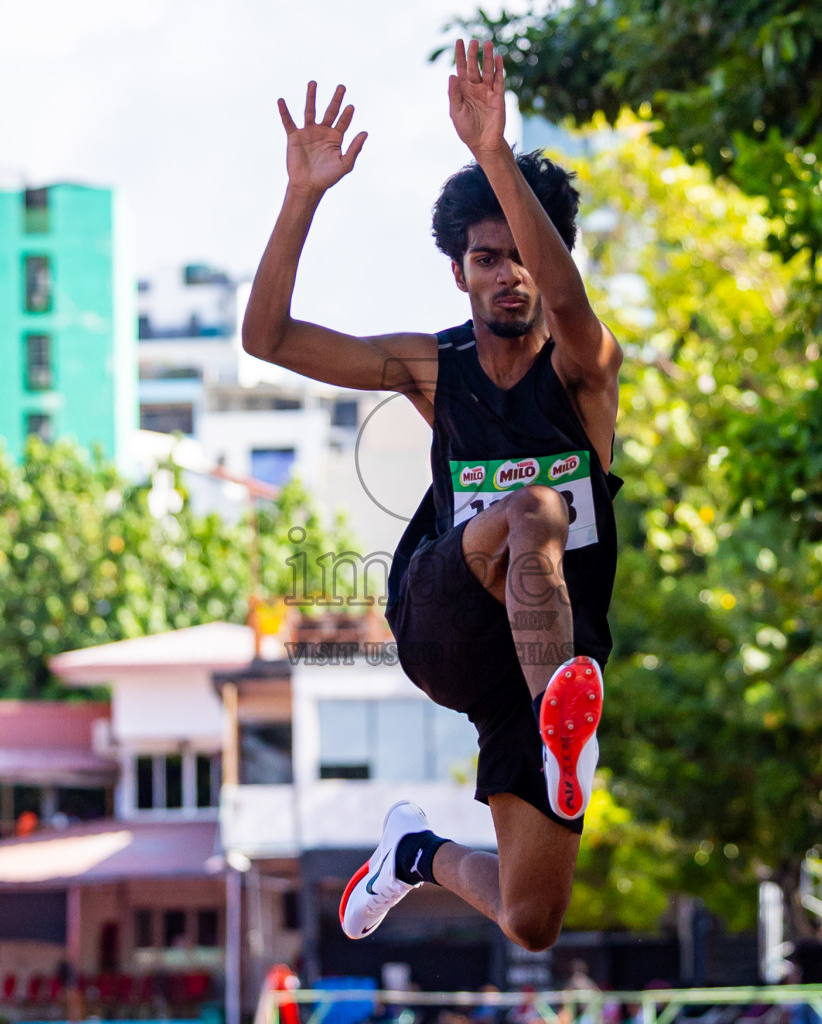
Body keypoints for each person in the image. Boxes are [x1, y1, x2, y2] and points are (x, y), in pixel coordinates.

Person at [241, 37, 622, 954]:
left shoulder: (587, 375)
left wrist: (496, 150)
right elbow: (269, 338)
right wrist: (302, 197)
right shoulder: (433, 368)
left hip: (538, 661)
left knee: (532, 922)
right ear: (460, 271)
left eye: (523, 256)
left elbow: (573, 314)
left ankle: (413, 852)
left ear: (550, 259)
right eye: (486, 259)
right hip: (443, 619)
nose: (509, 275)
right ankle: (559, 727)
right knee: (534, 510)